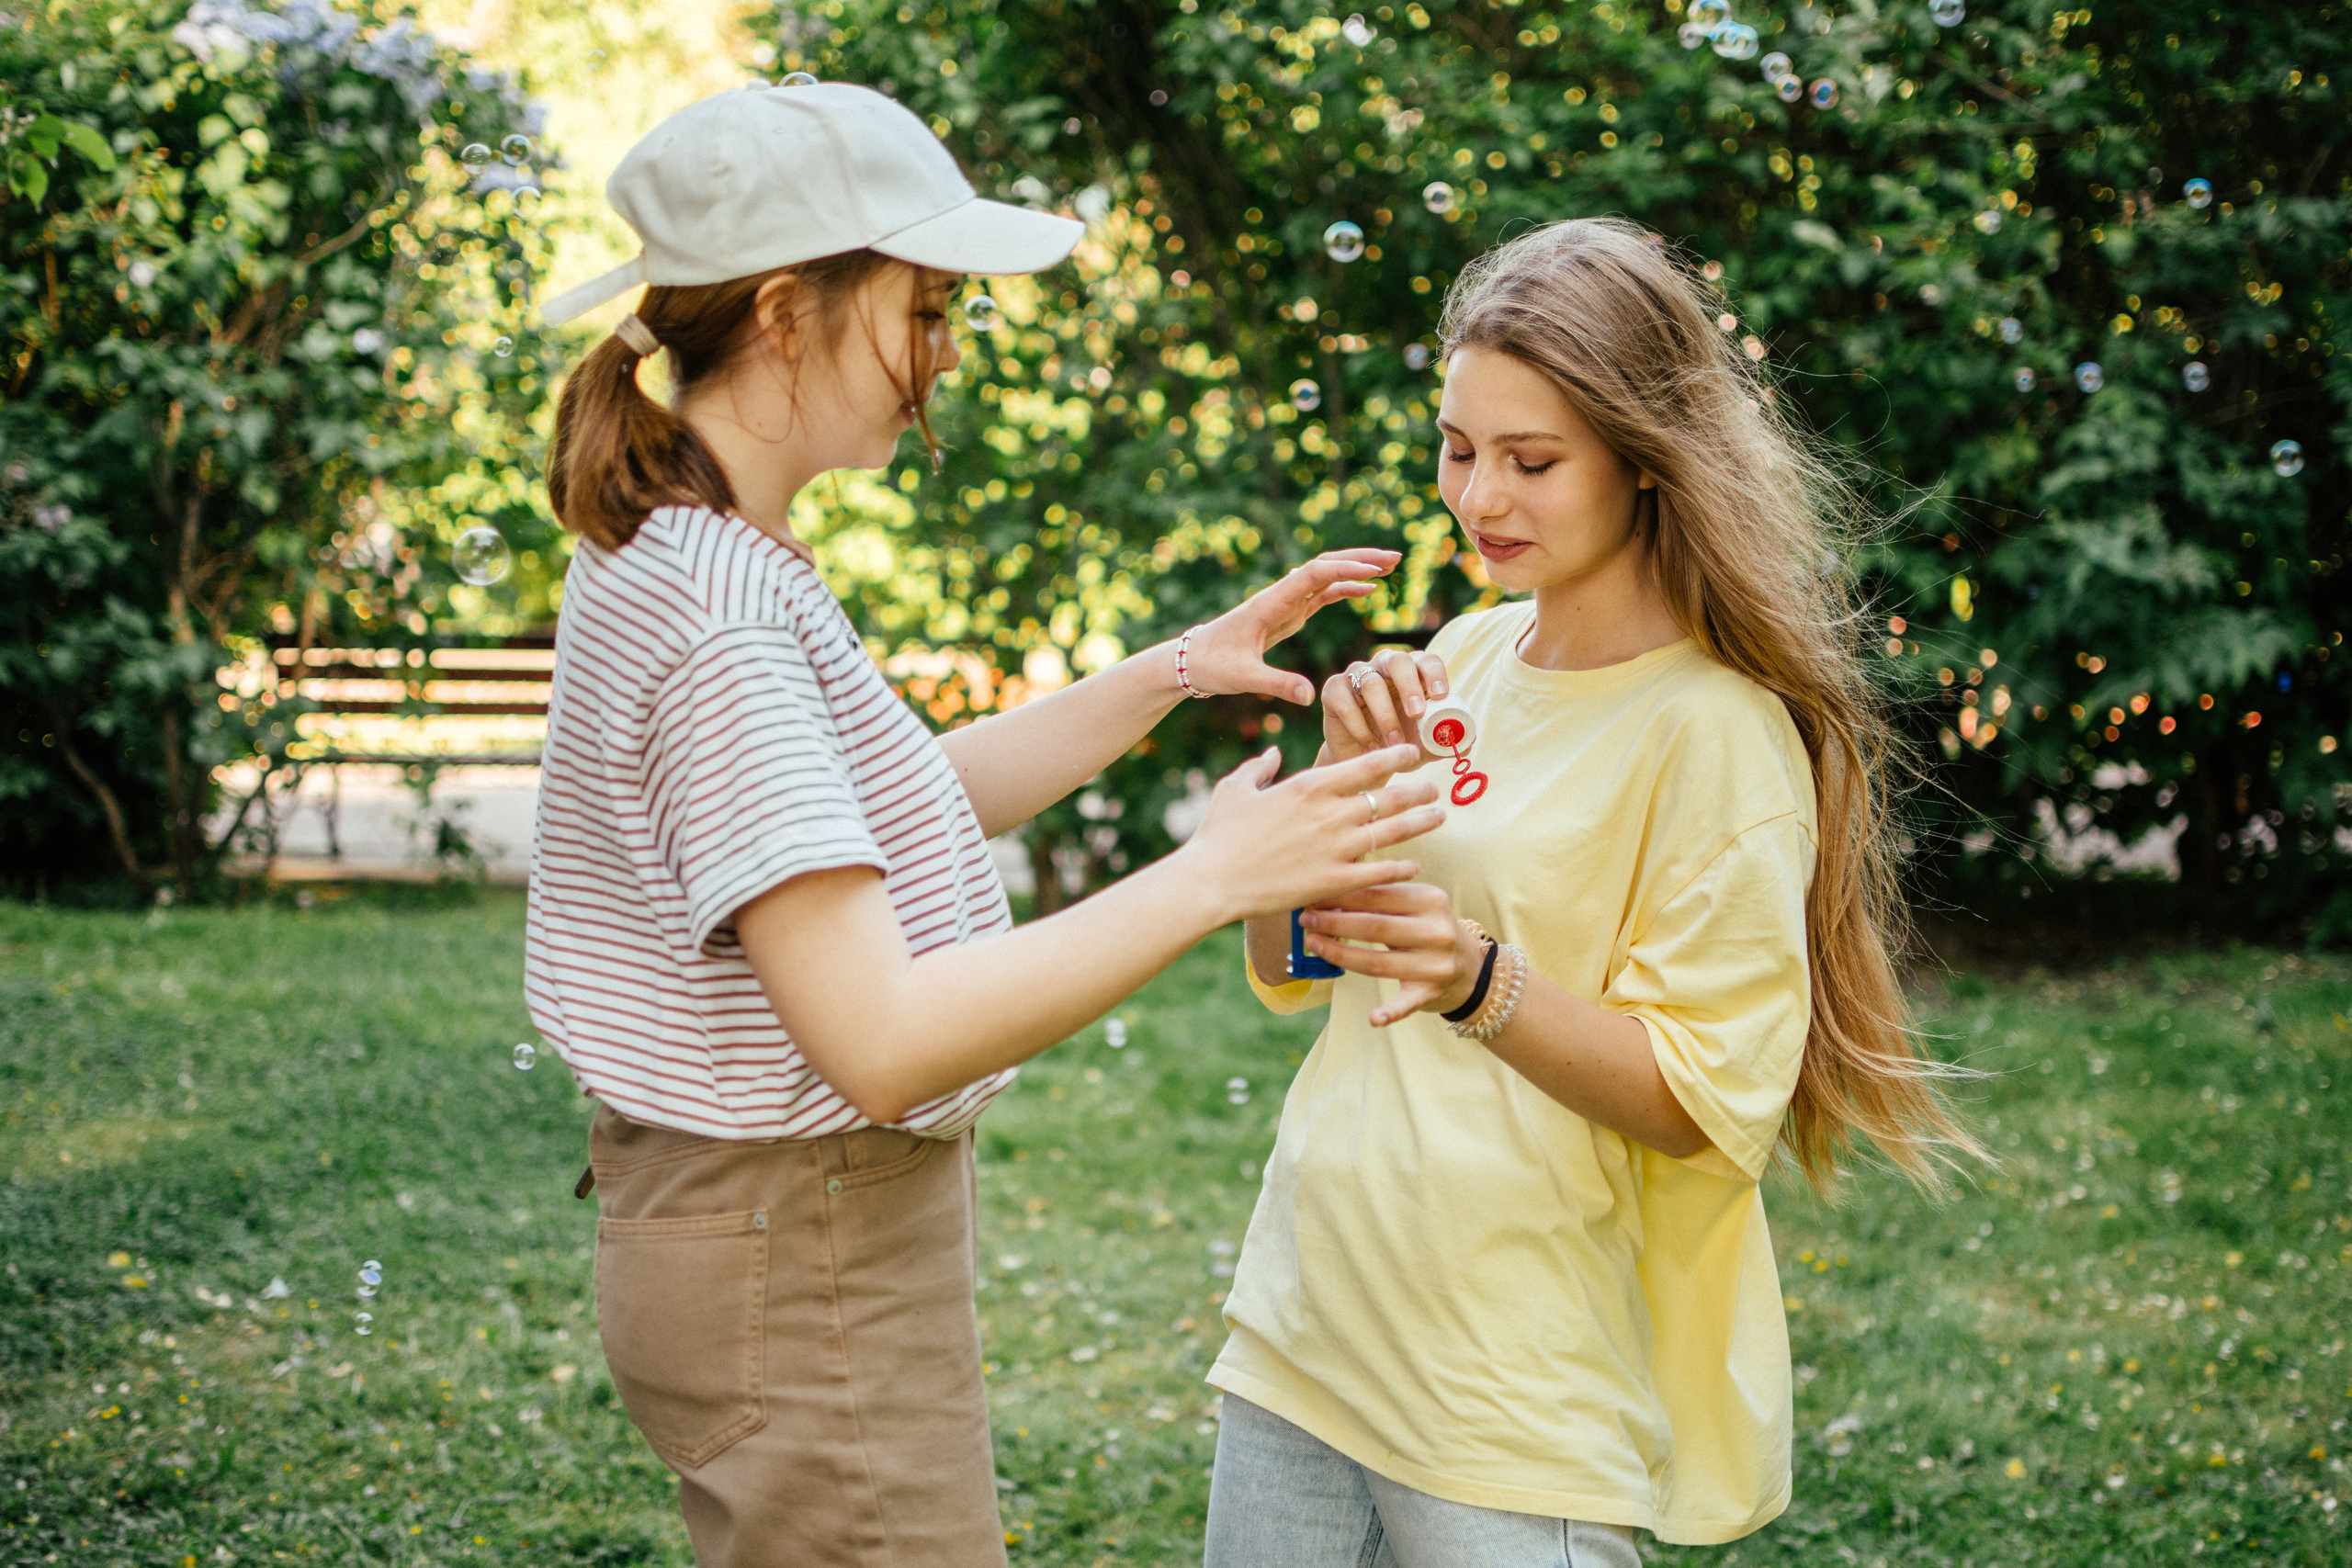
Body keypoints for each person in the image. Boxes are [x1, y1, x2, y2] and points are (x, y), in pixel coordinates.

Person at [522, 84, 1443, 1568]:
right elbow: (879, 1036)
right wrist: (1215, 878)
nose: (946, 353)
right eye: (928, 306)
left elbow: (886, 812)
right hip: (805, 1253)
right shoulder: (725, 622)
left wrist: (1171, 670)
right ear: (781, 311)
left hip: (756, 1238)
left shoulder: (689, 546)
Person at [1205, 218, 1991, 1568]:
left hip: (1506, 1385)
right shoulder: (1463, 653)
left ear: (1642, 460)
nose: (1479, 497)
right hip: (1305, 1326)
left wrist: (1476, 980)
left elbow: (1705, 1099)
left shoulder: (1716, 733)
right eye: (1459, 448)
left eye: (1531, 460)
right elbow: (1309, 961)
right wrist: (1314, 810)